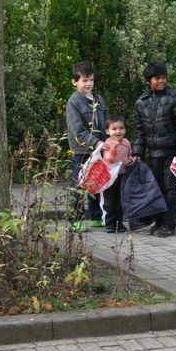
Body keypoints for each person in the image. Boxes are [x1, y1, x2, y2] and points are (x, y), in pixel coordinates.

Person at [133, 61, 176, 237]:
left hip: (172, 153)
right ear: (148, 81)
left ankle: (169, 223)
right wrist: (138, 152)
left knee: (170, 189)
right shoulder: (141, 102)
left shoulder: (175, 98)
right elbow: (140, 131)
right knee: (156, 189)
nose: (161, 81)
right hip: (154, 153)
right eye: (157, 78)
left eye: (163, 77)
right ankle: (159, 221)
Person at [66, 60, 107, 231]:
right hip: (81, 151)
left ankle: (96, 217)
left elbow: (105, 125)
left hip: (99, 151)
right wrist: (96, 142)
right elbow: (77, 130)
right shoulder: (74, 102)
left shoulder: (99, 99)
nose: (88, 83)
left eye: (91, 79)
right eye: (84, 80)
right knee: (79, 185)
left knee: (96, 183)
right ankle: (76, 219)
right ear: (75, 82)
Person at [102, 114, 133, 233]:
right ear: (107, 131)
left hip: (122, 175)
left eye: (121, 128)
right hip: (109, 177)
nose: (118, 132)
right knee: (109, 201)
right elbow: (108, 160)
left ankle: (119, 223)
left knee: (120, 201)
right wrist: (113, 147)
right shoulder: (108, 143)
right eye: (114, 129)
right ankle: (110, 223)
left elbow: (130, 155)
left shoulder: (126, 142)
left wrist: (129, 160)